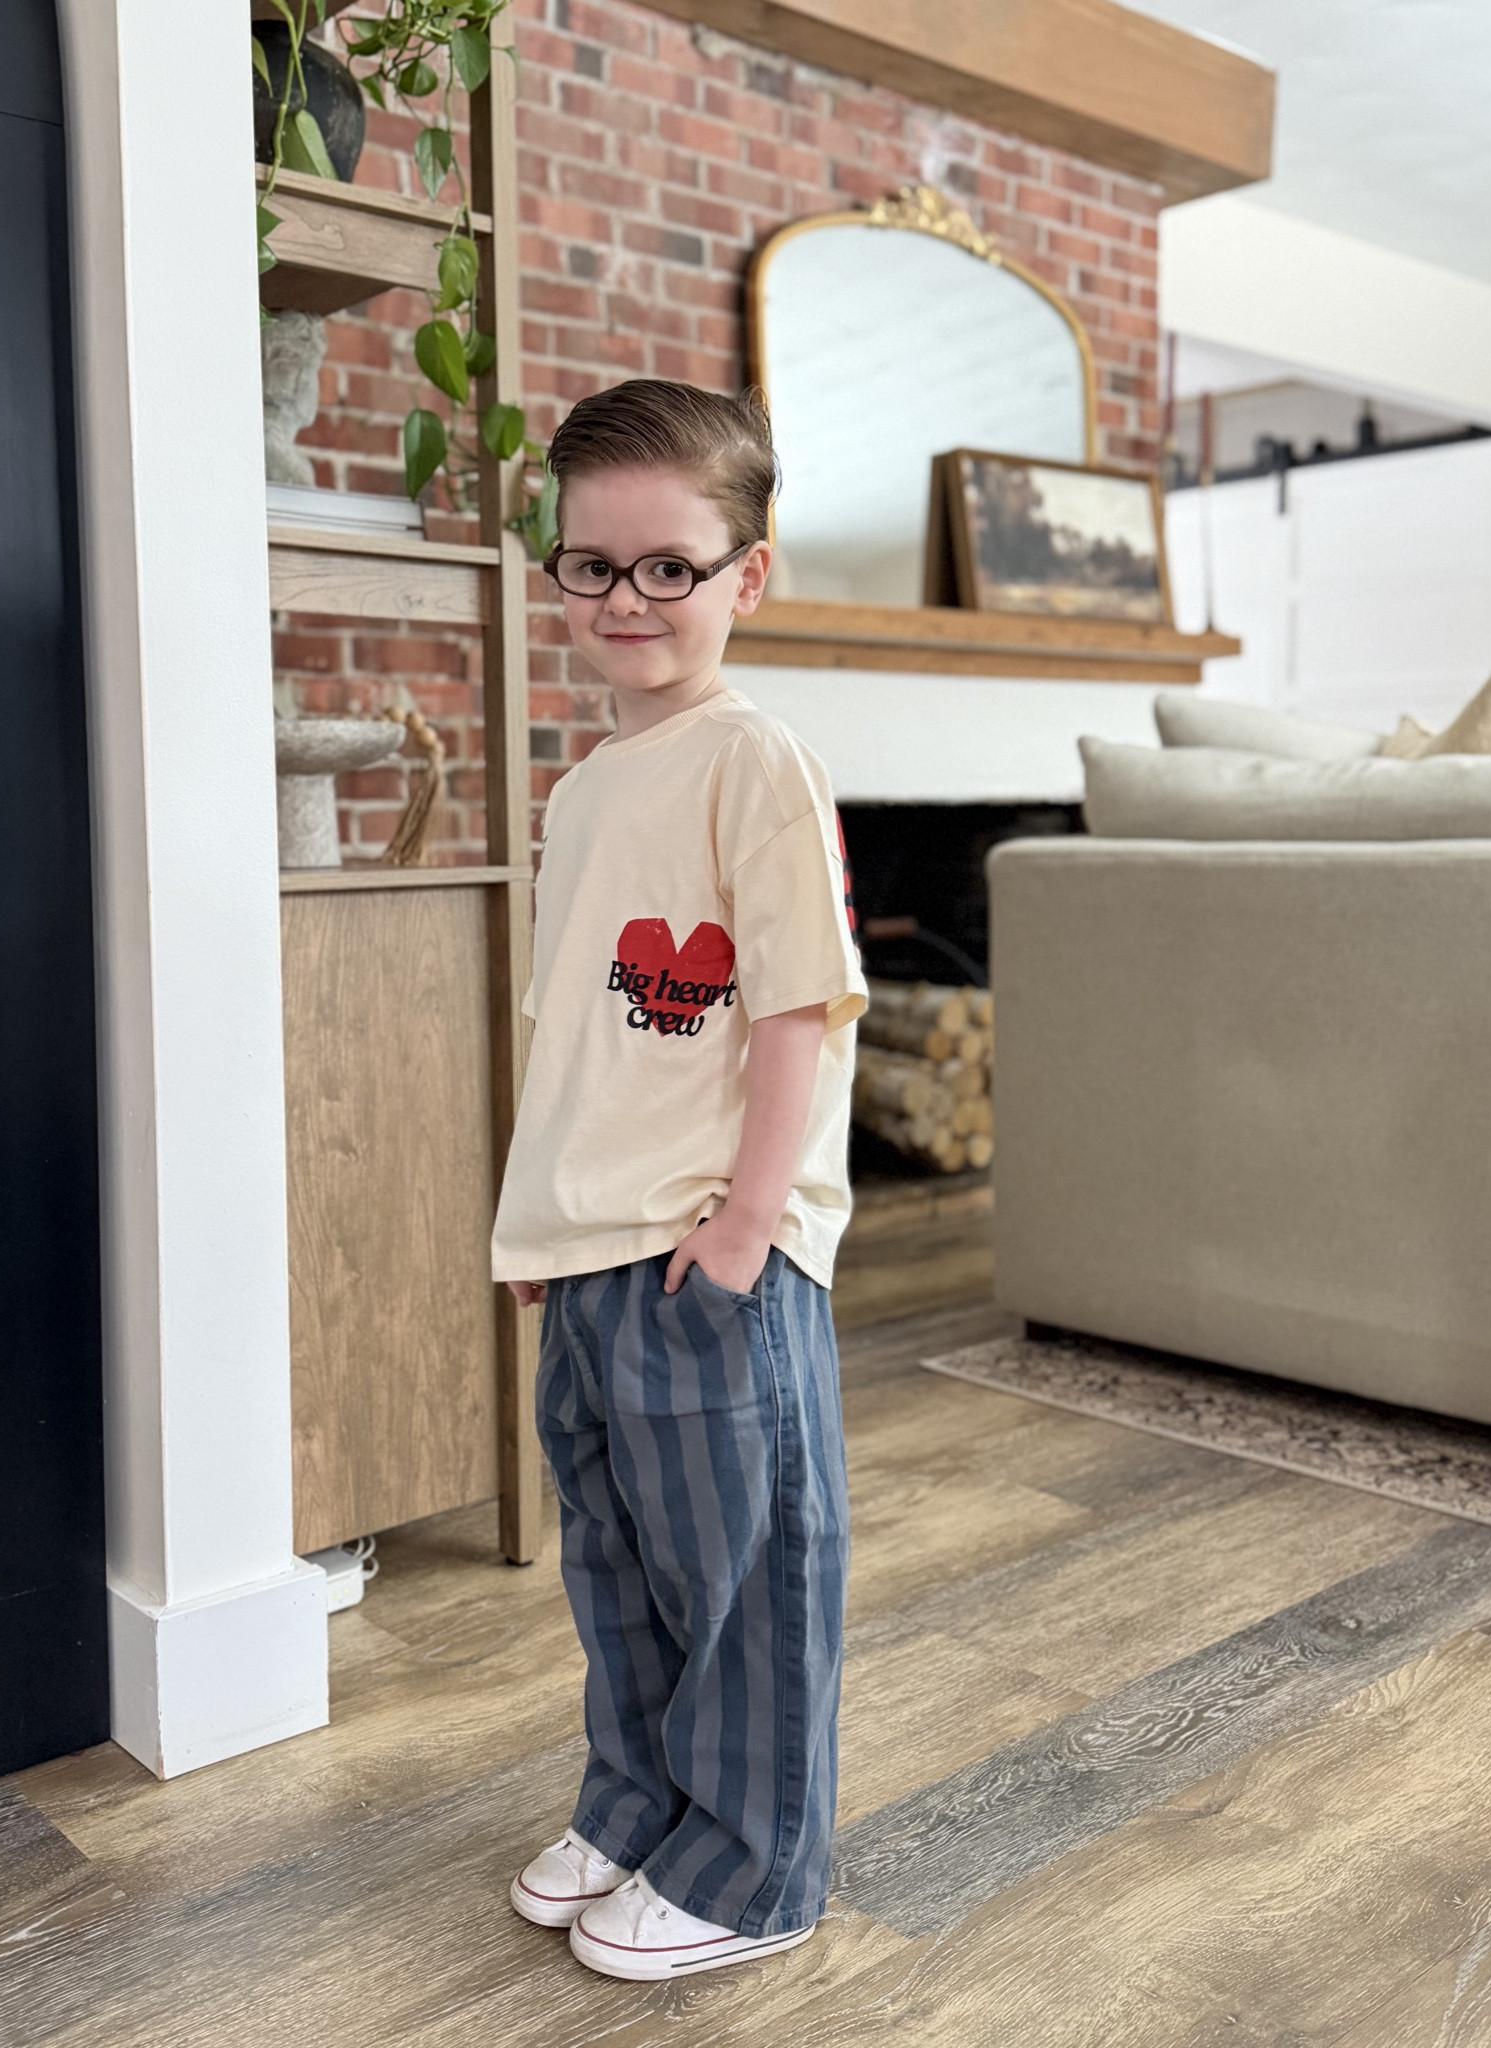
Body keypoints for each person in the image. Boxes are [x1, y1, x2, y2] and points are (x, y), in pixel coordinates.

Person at [492, 378, 866, 1983]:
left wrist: (741, 1223)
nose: (627, 600)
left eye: (669, 568)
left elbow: (791, 1004)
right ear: (555, 568)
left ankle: (752, 1867)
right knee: (619, 1561)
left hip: (708, 1248)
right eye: (593, 565)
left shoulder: (751, 761)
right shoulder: (584, 788)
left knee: (744, 1569)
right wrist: (532, 1216)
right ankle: (641, 1802)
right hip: (586, 1242)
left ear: (746, 577)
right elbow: (573, 1034)